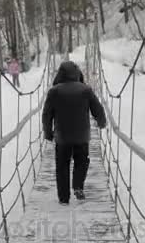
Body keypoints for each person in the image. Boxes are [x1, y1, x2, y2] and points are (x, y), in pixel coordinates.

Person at [42, 61, 107, 205]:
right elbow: (98, 109)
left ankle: (64, 198)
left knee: (62, 167)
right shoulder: (85, 89)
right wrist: (101, 122)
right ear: (77, 74)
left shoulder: (54, 91)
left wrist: (48, 132)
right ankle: (78, 186)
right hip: (82, 135)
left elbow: (47, 114)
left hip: (62, 137)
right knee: (82, 162)